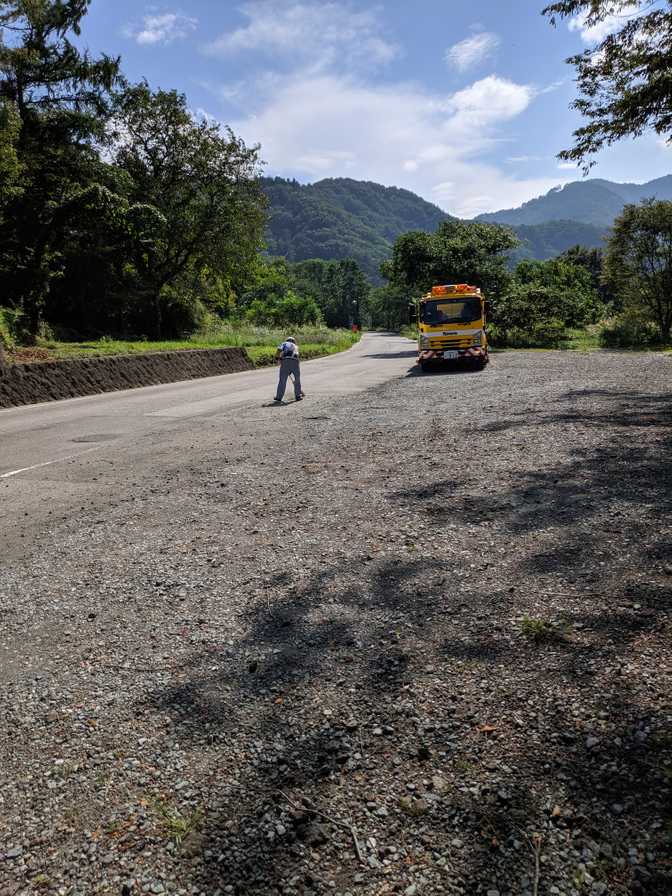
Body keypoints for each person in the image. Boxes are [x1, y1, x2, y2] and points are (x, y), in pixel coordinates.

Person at [274, 335, 303, 403]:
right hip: (295, 361)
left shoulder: (284, 343)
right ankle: (298, 395)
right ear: (294, 342)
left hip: (285, 360)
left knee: (282, 380)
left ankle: (279, 397)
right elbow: (296, 355)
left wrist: (277, 357)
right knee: (297, 379)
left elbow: (279, 350)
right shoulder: (296, 346)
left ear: (287, 340)